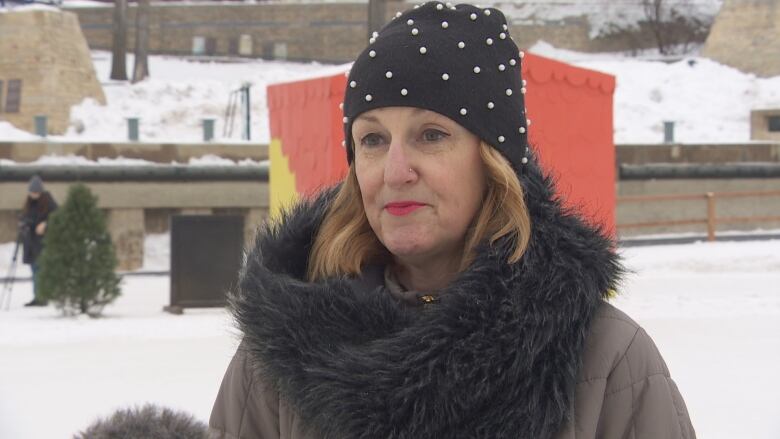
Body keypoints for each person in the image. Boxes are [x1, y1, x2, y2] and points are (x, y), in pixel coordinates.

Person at [209, 2, 696, 438]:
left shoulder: (606, 357)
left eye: (431, 135)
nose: (396, 172)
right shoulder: (276, 355)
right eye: (373, 140)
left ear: (493, 161)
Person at [19, 174, 58, 307]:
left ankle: (43, 296)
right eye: (31, 192)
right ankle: (38, 296)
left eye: (35, 192)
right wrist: (24, 224)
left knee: (40, 269)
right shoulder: (29, 203)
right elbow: (25, 217)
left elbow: (57, 216)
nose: (33, 194)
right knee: (34, 270)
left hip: (43, 242)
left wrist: (45, 224)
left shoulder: (48, 202)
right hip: (31, 242)